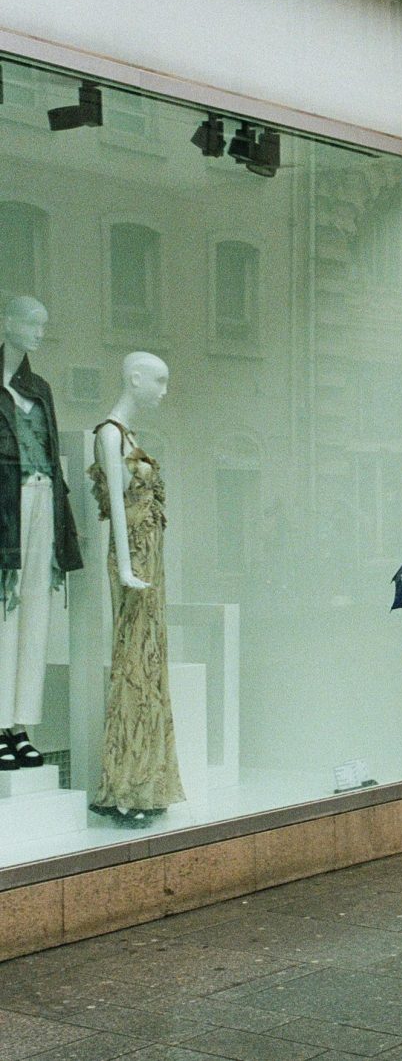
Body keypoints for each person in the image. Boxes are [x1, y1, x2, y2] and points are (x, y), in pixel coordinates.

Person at [87, 352, 183, 828]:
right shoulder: (108, 434)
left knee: (148, 663)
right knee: (133, 665)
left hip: (149, 559)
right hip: (133, 561)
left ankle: (142, 782)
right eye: (159, 380)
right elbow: (118, 512)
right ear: (135, 379)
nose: (164, 390)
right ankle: (125, 788)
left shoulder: (129, 436)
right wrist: (125, 568)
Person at [0, 296, 83, 770]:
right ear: (7, 322)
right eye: (31, 323)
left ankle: (20, 725)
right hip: (5, 507)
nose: (38, 332)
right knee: (3, 614)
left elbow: (50, 455)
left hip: (41, 498)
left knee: (36, 615)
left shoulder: (41, 388)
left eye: (43, 324)